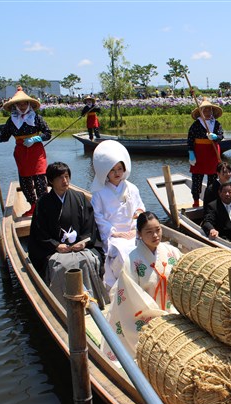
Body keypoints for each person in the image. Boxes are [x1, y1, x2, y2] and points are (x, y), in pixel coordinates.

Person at [28, 162, 108, 308]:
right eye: (60, 178)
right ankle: (63, 304)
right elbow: (39, 232)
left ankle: (94, 300)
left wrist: (83, 242)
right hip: (55, 250)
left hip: (79, 247)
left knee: (90, 260)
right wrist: (56, 245)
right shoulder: (43, 203)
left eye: (67, 176)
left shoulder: (79, 198)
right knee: (60, 266)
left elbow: (89, 224)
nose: (65, 181)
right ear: (51, 181)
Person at [103, 212, 182, 360]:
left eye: (158, 230)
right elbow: (131, 297)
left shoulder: (172, 252)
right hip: (146, 314)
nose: (155, 235)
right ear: (139, 233)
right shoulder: (131, 261)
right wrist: (157, 315)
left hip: (172, 310)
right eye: (149, 232)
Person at [91, 140, 145, 288]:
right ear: (105, 172)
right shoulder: (98, 193)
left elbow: (140, 209)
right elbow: (98, 218)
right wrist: (114, 233)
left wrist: (135, 226)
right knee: (123, 252)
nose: (117, 173)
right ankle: (126, 286)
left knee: (144, 247)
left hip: (133, 231)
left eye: (120, 169)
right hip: (113, 236)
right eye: (112, 170)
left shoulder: (132, 188)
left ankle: (144, 282)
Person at [0, 86, 51, 216]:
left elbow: (48, 133)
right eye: (20, 104)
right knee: (25, 181)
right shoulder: (12, 121)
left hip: (36, 152)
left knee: (40, 178)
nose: (23, 106)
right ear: (15, 105)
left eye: (25, 103)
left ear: (29, 104)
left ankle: (44, 206)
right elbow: (4, 136)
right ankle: (33, 205)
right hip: (21, 153)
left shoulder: (36, 118)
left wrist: (36, 138)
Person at [187, 99, 224, 207]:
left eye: (209, 110)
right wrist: (191, 153)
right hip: (199, 154)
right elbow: (190, 140)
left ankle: (210, 201)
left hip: (213, 153)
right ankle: (196, 201)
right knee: (197, 178)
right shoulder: (196, 124)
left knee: (213, 178)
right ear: (201, 111)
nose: (208, 112)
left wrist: (215, 137)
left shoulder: (216, 124)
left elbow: (221, 136)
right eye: (205, 110)